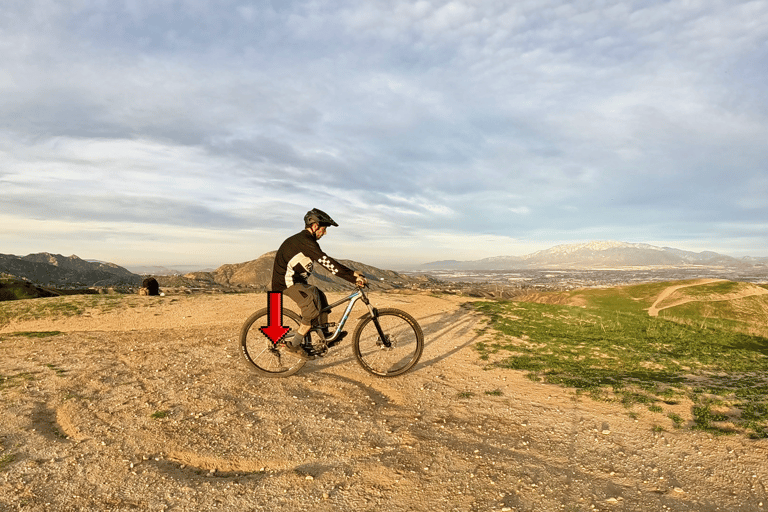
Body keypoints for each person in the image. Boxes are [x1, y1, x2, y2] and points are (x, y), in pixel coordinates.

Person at [271, 208, 367, 358]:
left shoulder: (307, 241)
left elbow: (327, 260)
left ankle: (326, 337)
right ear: (315, 226)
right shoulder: (304, 241)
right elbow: (328, 264)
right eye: (324, 229)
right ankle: (294, 345)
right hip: (286, 283)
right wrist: (352, 278)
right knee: (311, 309)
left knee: (320, 296)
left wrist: (352, 273)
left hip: (297, 281)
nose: (325, 233)